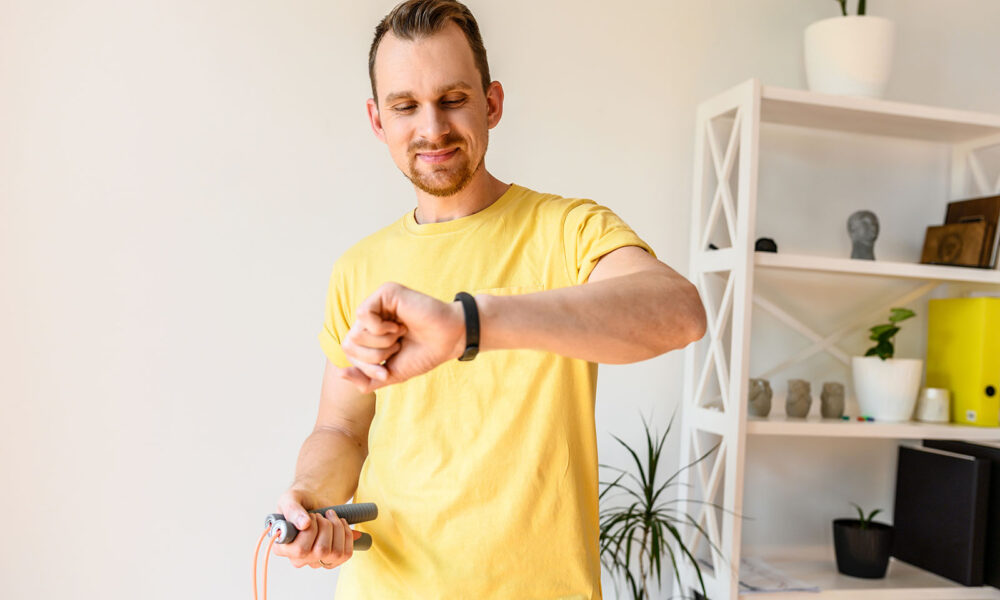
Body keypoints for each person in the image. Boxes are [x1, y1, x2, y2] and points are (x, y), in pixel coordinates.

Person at [272, 0, 707, 597]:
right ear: (378, 121)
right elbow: (343, 430)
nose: (432, 128)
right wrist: (309, 500)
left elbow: (679, 313)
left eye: (453, 99)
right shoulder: (358, 267)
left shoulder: (569, 229)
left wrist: (470, 324)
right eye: (406, 106)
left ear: (492, 103)